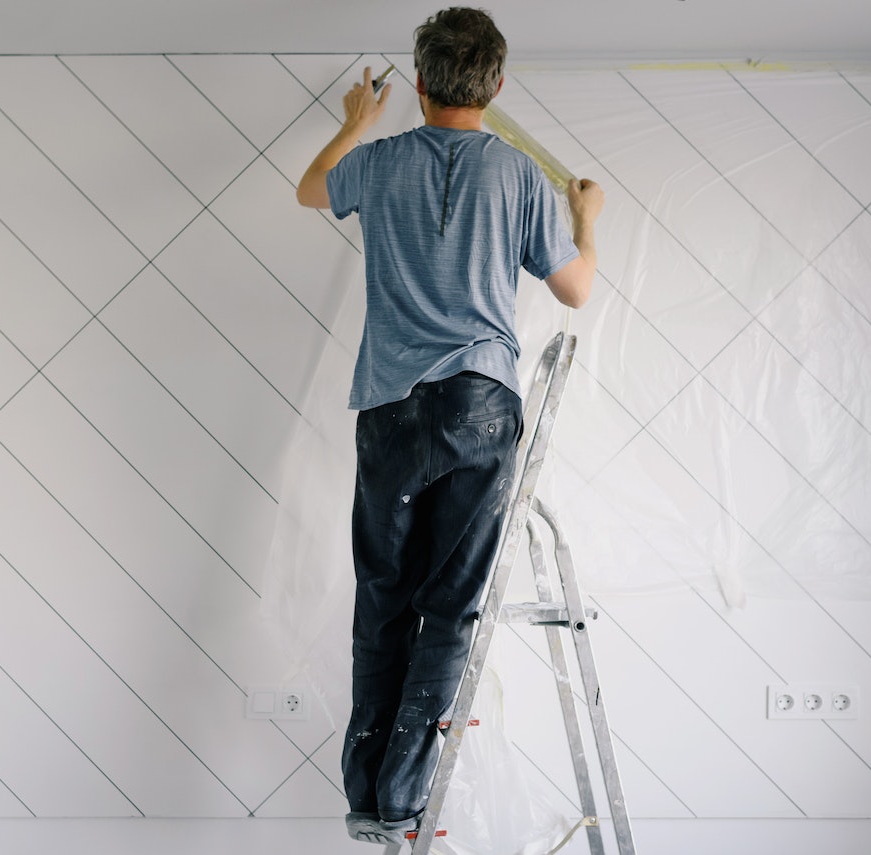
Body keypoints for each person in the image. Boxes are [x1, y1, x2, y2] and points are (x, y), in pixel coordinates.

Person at [296, 7, 604, 846]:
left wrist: (354, 123)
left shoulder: (381, 161)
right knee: (451, 605)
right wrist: (587, 218)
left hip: (391, 407)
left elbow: (310, 189)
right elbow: (575, 289)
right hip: (477, 403)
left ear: (421, 82)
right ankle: (406, 797)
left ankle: (370, 799)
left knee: (384, 596)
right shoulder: (515, 175)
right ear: (496, 86)